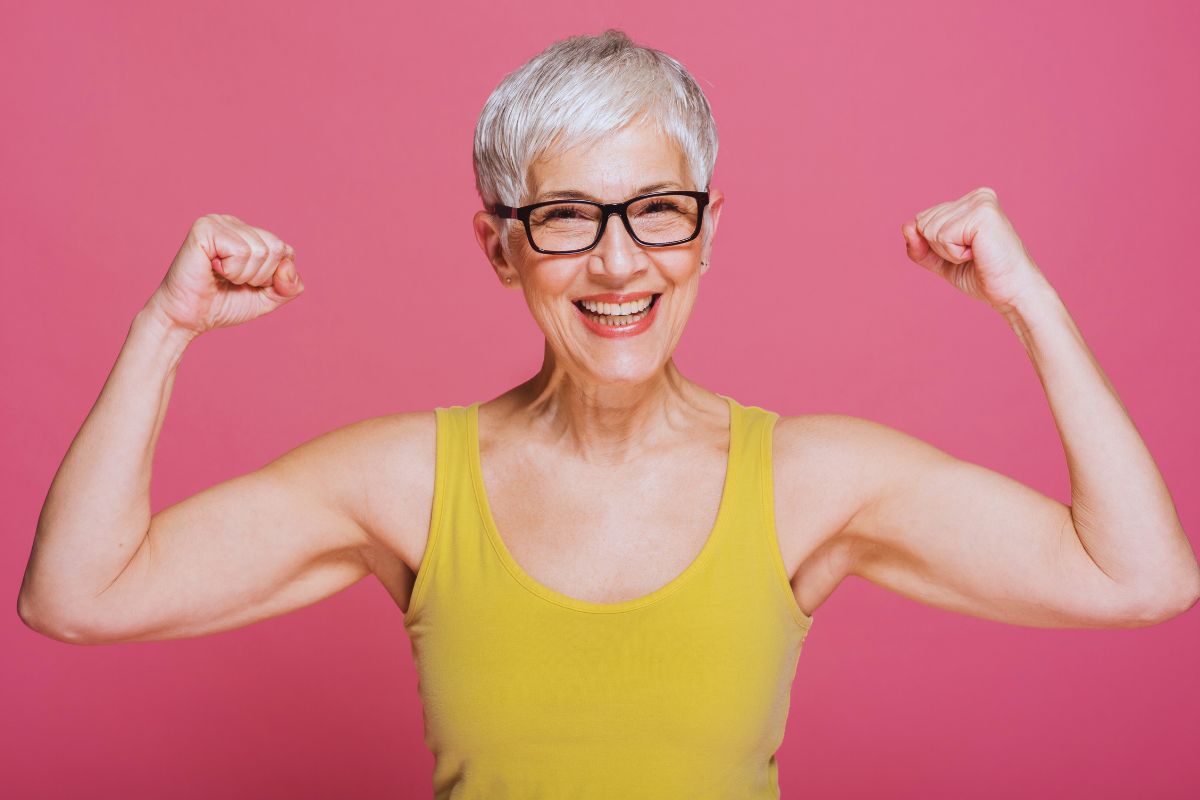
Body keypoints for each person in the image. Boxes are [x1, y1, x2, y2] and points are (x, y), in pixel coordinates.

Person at [17, 28, 1199, 799]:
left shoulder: (808, 480)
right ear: (500, 247)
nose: (618, 263)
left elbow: (1139, 575)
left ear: (709, 230)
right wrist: (163, 331)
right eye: (569, 217)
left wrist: (1027, 304)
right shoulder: (409, 480)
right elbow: (78, 593)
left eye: (657, 212)